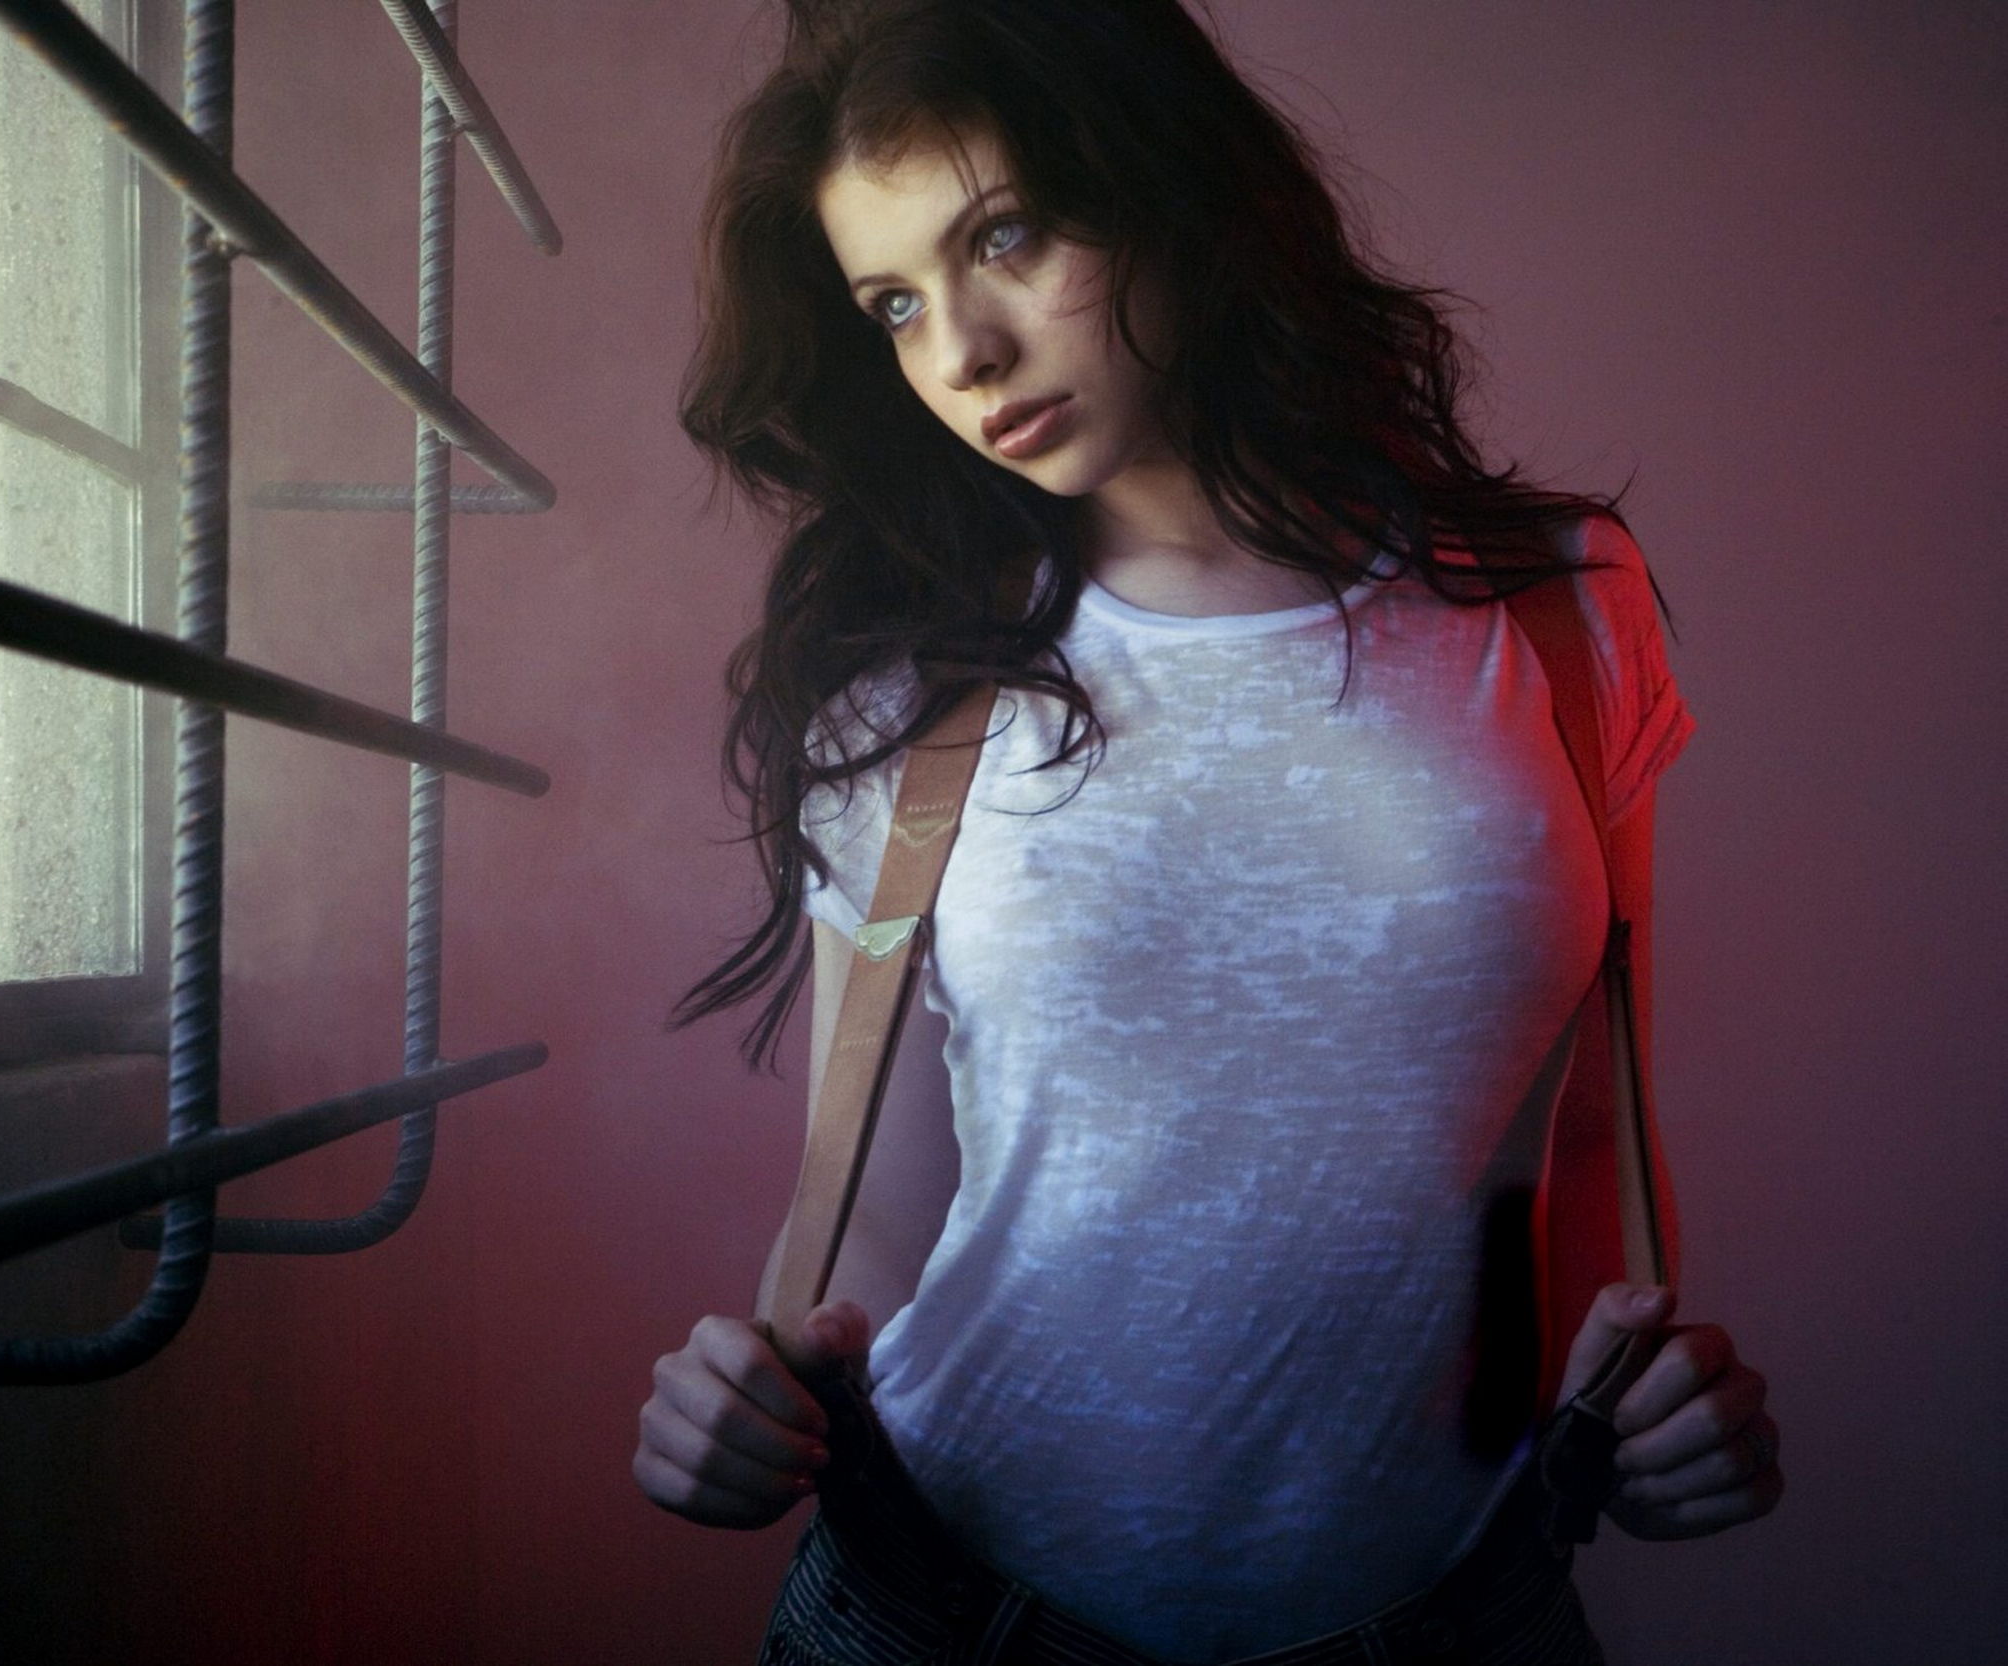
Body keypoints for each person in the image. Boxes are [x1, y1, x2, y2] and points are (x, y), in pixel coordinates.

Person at [633, 2, 1783, 1661]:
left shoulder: (1561, 606)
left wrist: (1647, 1413)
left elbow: (1589, 1127)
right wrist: (742, 1403)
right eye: (895, 303)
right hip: (949, 1613)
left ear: (1168, 184)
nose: (962, 351)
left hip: (1455, 1616)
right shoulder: (905, 687)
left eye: (1003, 237)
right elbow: (867, 1216)